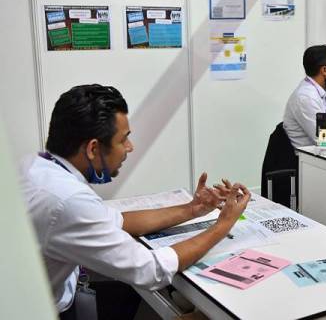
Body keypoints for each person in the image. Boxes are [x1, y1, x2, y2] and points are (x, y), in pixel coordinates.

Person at [20, 84, 250, 320]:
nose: (130, 147)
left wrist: (193, 209)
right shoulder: (69, 201)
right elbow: (151, 271)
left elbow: (116, 221)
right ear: (93, 148)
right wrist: (223, 224)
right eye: (123, 140)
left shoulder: (37, 167)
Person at [283, 45, 326, 148]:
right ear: (324, 70)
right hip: (303, 161)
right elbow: (325, 141)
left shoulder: (320, 92)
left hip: (319, 156)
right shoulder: (306, 97)